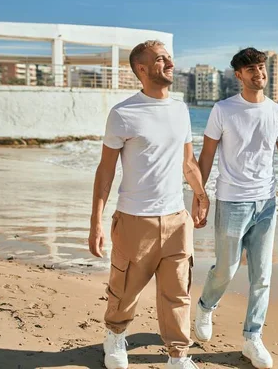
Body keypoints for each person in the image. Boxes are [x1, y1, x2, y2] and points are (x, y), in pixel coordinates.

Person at [88, 40, 209, 369]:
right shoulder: (123, 114)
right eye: (160, 59)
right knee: (124, 289)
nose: (169, 63)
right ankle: (114, 334)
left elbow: (187, 161)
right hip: (133, 220)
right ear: (141, 69)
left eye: (170, 57)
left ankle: (178, 355)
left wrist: (200, 194)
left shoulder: (180, 109)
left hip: (176, 220)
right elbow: (106, 169)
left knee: (177, 292)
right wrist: (96, 221)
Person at [193, 47, 278, 369]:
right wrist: (199, 198)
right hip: (231, 201)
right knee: (226, 268)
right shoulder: (223, 110)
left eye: (262, 67)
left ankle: (252, 338)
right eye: (252, 69)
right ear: (239, 75)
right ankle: (205, 304)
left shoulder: (277, 112)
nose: (259, 73)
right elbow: (206, 156)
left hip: (266, 203)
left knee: (262, 276)